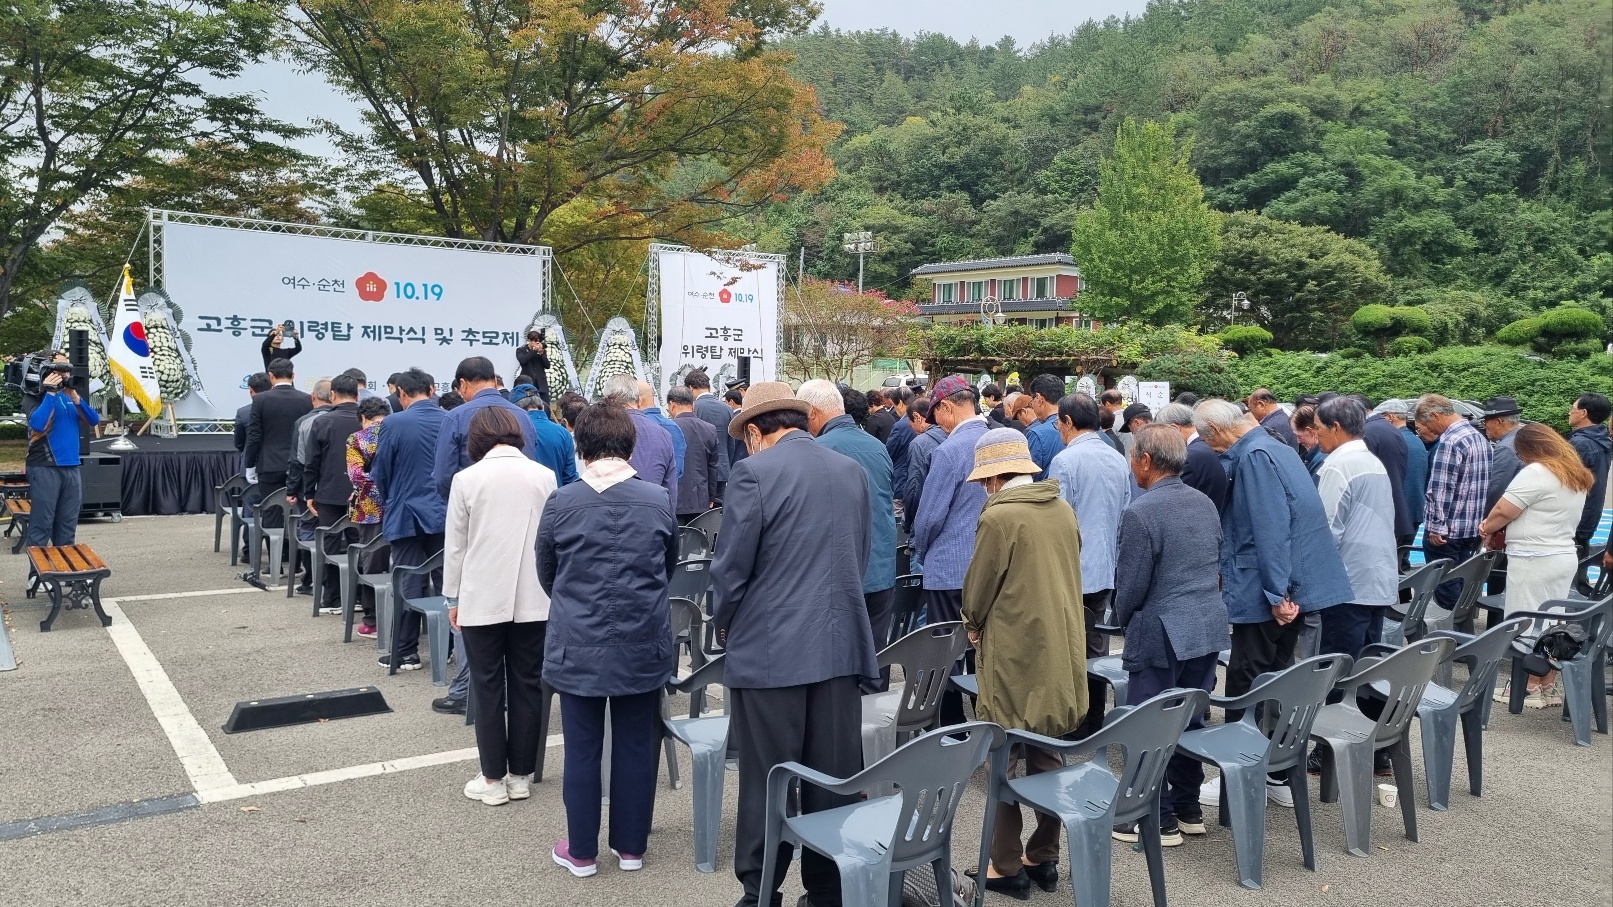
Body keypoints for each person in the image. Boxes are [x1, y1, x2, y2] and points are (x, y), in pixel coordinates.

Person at [708, 382, 878, 907]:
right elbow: (862, 550)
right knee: (832, 774)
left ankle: (761, 891)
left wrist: (724, 625)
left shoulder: (754, 473)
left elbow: (731, 570)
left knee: (768, 778)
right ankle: (827, 888)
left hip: (769, 650)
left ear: (756, 432)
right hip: (839, 643)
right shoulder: (851, 472)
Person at [539, 402, 677, 876]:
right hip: (642, 637)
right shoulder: (657, 499)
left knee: (581, 747)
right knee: (638, 743)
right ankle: (631, 847)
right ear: (630, 445)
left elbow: (548, 572)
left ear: (580, 446)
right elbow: (668, 566)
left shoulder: (563, 501)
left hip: (578, 638)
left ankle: (581, 851)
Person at [1194, 398, 1351, 809]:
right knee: (1277, 676)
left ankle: (1240, 773)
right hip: (1293, 582)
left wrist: (1277, 592)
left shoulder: (1254, 456)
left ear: (1215, 433)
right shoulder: (1277, 445)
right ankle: (1273, 772)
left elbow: (1270, 527)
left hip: (1267, 588)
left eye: (1209, 441)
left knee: (1249, 678)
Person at [961, 428, 1088, 896]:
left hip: (1014, 647)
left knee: (1002, 754)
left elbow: (979, 589)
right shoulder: (1061, 508)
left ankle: (1005, 864)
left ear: (993, 479)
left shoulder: (1000, 518)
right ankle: (1044, 856)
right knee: (1047, 749)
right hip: (1060, 642)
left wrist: (971, 623)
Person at [1110, 425, 1226, 847]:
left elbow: (1131, 587)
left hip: (1160, 630)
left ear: (1144, 460)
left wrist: (1124, 619)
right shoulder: (1204, 503)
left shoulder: (1142, 511)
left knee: (1149, 724)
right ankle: (1187, 807)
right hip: (1205, 624)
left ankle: (1153, 817)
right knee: (1189, 718)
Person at [445, 406, 556, 807]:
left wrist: (453, 597)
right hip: (535, 596)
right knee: (528, 684)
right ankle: (520, 775)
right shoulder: (544, 477)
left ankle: (492, 777)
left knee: (487, 685)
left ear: (476, 439)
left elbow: (456, 545)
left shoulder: (467, 479)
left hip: (481, 594)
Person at [1480, 423, 1593, 708]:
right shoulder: (1573, 474)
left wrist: (1487, 528)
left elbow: (1505, 509)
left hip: (1533, 557)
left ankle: (1526, 686)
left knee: (1526, 622)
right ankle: (1548, 685)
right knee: (1554, 622)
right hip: (1562, 555)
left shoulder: (1537, 471)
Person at [1046, 392, 1130, 737]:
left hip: (1072, 568)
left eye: (1059, 423)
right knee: (1094, 644)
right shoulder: (1116, 457)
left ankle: (1071, 717)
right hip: (1105, 565)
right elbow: (1124, 513)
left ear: (1066, 422)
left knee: (1066, 645)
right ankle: (1093, 718)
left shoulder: (1066, 461)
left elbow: (1057, 519)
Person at [910, 375, 991, 726]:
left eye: (936, 414)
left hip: (950, 567)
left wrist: (921, 549)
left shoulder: (949, 450)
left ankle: (951, 727)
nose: (936, 423)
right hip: (990, 564)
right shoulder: (1000, 438)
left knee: (945, 651)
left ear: (947, 407)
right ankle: (986, 719)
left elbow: (928, 518)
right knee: (985, 649)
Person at [800, 380, 899, 659]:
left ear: (813, 413)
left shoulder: (818, 449)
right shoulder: (877, 447)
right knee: (876, 657)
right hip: (881, 567)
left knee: (838, 662)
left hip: (839, 574)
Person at [370, 368, 448, 675]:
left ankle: (405, 653)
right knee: (448, 583)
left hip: (406, 514)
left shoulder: (394, 422)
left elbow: (381, 472)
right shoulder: (449, 419)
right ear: (431, 389)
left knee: (408, 583)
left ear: (401, 393)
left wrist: (394, 498)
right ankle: (451, 648)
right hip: (444, 514)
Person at [1313, 398, 1399, 661]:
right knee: (1366, 664)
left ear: (1335, 427)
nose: (1315, 436)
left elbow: (1326, 530)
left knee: (1338, 666)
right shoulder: (1371, 461)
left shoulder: (1339, 465)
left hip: (1349, 582)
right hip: (1375, 576)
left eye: (1317, 428)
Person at [1416, 394, 1491, 614]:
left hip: (1447, 531)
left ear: (1436, 415)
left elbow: (1440, 489)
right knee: (1460, 580)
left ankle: (1453, 636)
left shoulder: (1450, 442)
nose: (1427, 429)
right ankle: (1462, 629)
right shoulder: (1478, 437)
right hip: (1471, 527)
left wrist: (1437, 526)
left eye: (1426, 423)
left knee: (1447, 589)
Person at [433, 356, 537, 501]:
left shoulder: (455, 417)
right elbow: (530, 460)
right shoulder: (523, 416)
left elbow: (443, 477)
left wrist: (460, 503)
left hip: (473, 505)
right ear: (495, 381)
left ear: (462, 384)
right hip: (517, 503)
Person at [304, 374, 363, 614]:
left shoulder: (322, 422)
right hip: (361, 494)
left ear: (332, 396)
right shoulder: (366, 422)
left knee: (329, 544)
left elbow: (312, 462)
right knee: (360, 544)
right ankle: (361, 597)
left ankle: (332, 598)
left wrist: (309, 492)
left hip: (328, 494)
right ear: (357, 396)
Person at [23, 365, 100, 548]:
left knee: (67, 525)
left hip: (71, 466)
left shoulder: (68, 397)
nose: (65, 374)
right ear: (45, 371)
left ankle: (63, 572)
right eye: (59, 370)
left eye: (67, 370)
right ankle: (37, 576)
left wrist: (75, 398)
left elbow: (93, 420)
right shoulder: (34, 396)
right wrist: (50, 393)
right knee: (42, 525)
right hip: (44, 466)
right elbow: (39, 424)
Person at [244, 358, 313, 548]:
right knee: (299, 512)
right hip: (299, 464)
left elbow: (254, 436)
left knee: (272, 512)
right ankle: (297, 560)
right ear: (293, 375)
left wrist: (250, 464)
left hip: (269, 465)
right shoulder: (307, 399)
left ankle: (275, 565)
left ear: (271, 376)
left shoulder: (260, 400)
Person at [345, 396, 392, 637]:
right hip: (400, 507)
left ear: (363, 418)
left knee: (372, 564)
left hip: (371, 511)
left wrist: (378, 491)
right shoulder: (397, 432)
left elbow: (356, 476)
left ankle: (373, 621)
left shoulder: (357, 439)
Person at [284, 378, 335, 593]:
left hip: (311, 489)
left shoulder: (304, 422)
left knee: (307, 531)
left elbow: (298, 460)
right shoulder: (352, 419)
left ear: (313, 397)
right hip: (339, 488)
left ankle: (311, 580)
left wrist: (292, 488)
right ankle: (333, 583)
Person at [601, 375, 677, 512]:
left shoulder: (599, 430)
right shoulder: (663, 434)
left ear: (607, 400)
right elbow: (670, 489)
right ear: (639, 401)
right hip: (652, 517)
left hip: (606, 519)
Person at [1154, 402, 1228, 511]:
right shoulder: (1206, 446)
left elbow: (1175, 501)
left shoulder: (1189, 457)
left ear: (1174, 428)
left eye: (1163, 436)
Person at [1377, 400, 1429, 551]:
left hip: (1398, 513)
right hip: (1416, 510)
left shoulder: (1395, 442)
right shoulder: (1417, 441)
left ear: (1391, 417)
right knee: (1402, 560)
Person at [1567, 392, 1610, 565]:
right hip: (1589, 518)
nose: (1569, 412)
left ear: (1583, 413)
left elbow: (1566, 485)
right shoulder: (1602, 440)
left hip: (1574, 522)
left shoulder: (1581, 444)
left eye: (1572, 409)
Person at [668, 387, 721, 521]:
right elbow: (713, 467)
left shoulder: (667, 429)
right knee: (698, 539)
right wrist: (711, 496)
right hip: (700, 499)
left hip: (674, 500)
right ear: (693, 406)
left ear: (672, 405)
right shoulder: (710, 429)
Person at [513, 383, 580, 487]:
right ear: (542, 407)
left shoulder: (512, 432)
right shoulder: (563, 433)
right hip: (557, 498)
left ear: (515, 409)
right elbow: (570, 479)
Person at [685, 368, 733, 498]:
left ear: (690, 388)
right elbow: (731, 443)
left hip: (700, 472)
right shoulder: (728, 409)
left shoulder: (694, 408)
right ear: (709, 386)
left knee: (701, 516)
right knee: (718, 513)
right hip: (723, 469)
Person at [901, 396, 945, 533]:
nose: (912, 429)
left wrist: (908, 523)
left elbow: (914, 488)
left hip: (926, 517)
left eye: (911, 424)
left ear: (917, 417)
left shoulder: (919, 444)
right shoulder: (952, 435)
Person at [1481, 396, 1525, 513]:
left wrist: (1485, 520)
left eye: (1485, 422)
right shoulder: (1524, 439)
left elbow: (1495, 491)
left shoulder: (1505, 448)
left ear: (1499, 422)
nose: (1484, 426)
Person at [637, 380, 686, 481]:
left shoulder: (631, 426)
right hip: (665, 492)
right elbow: (677, 470)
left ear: (638, 401)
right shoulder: (673, 427)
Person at [1023, 374, 1063, 479]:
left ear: (1039, 399)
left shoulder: (1036, 434)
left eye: (1032, 403)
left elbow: (1030, 477)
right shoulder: (1078, 427)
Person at [234, 373, 271, 470]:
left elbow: (239, 442)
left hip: (249, 464)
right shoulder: (280, 409)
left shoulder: (242, 412)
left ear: (250, 390)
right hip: (274, 464)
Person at [515, 330, 552, 403]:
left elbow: (547, 365)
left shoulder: (541, 351)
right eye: (535, 341)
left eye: (539, 342)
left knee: (545, 406)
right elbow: (523, 360)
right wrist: (534, 351)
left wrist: (542, 354)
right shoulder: (521, 350)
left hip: (541, 385)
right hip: (528, 384)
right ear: (529, 341)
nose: (537, 344)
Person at [1291, 405, 1326, 479]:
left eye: (1299, 436)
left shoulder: (1319, 461)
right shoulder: (1314, 457)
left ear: (1309, 431)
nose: (1298, 441)